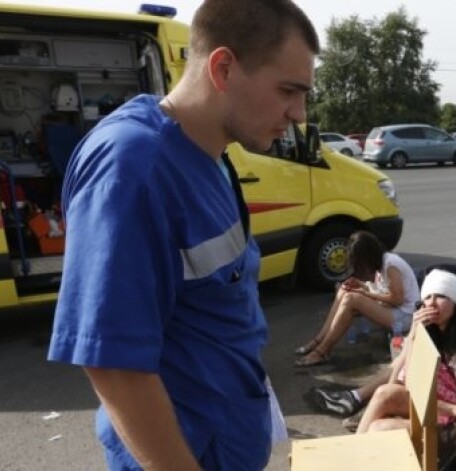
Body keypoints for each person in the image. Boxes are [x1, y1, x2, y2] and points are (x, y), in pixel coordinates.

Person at [46, 1, 319, 469]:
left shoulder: (210, 153)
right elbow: (114, 365)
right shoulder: (134, 167)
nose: (299, 113)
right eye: (288, 91)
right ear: (224, 67)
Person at [355, 269, 456, 467]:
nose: (431, 302)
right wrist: (414, 334)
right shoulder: (436, 330)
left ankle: (357, 462)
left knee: (381, 429)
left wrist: (453, 409)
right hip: (453, 406)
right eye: (427, 297)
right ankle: (349, 458)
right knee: (384, 393)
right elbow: (399, 378)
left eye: (441, 296)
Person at [294, 230, 420, 367]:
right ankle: (319, 340)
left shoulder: (390, 264)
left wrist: (365, 293)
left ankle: (322, 352)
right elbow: (382, 290)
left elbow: (397, 299)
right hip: (392, 308)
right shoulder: (381, 263)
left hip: (405, 316)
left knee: (351, 299)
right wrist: (362, 286)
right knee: (344, 289)